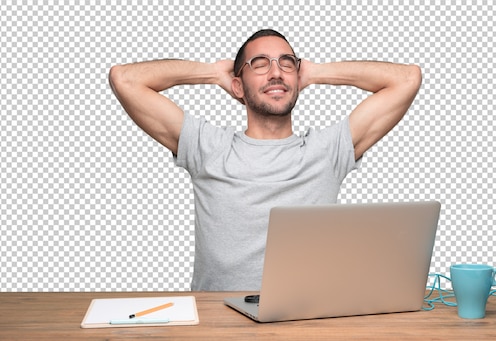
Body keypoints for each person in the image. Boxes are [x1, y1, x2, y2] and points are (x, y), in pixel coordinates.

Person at [108, 29, 422, 291]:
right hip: (216, 325)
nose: (275, 72)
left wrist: (314, 72)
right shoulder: (207, 146)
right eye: (259, 64)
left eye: (287, 63)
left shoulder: (328, 150)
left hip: (305, 322)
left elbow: (408, 79)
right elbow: (124, 79)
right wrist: (213, 72)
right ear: (237, 86)